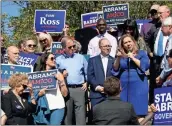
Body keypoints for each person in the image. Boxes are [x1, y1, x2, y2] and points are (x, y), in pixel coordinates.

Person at [112, 34, 150, 120]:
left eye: (129, 41)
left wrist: (133, 58)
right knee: (124, 113)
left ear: (134, 42)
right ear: (122, 45)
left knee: (138, 112)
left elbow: (145, 66)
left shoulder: (141, 53)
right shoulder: (121, 55)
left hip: (139, 84)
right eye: (125, 43)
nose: (128, 44)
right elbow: (115, 69)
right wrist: (118, 58)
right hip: (124, 85)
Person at [56, 37, 88, 125]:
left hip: (79, 88)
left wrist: (87, 82)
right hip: (66, 89)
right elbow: (55, 75)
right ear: (64, 49)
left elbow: (87, 72)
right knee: (67, 115)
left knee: (81, 115)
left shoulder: (81, 57)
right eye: (70, 47)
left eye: (73, 46)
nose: (73, 48)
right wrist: (62, 75)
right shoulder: (58, 60)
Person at [144, 5, 171, 105]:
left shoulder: (170, 27)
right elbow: (146, 40)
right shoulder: (155, 27)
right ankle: (154, 109)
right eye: (157, 13)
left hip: (168, 62)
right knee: (154, 86)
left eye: (160, 13)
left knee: (166, 87)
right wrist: (149, 51)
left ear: (167, 13)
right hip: (155, 62)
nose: (158, 15)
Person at [34, 52, 68, 125]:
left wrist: (61, 81)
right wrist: (39, 94)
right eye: (52, 58)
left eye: (55, 58)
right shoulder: (37, 75)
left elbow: (65, 94)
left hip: (58, 106)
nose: (54, 60)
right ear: (45, 61)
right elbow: (34, 93)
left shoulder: (58, 73)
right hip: (44, 107)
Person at [87, 38, 115, 107]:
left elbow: (116, 76)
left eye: (109, 46)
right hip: (96, 95)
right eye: (105, 46)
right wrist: (97, 87)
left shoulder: (114, 60)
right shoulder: (92, 60)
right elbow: (90, 75)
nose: (108, 48)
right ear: (100, 47)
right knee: (97, 116)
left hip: (110, 95)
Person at [156, 17, 172, 85]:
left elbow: (170, 62)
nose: (161, 29)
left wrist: (161, 76)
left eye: (162, 27)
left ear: (170, 27)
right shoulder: (170, 39)